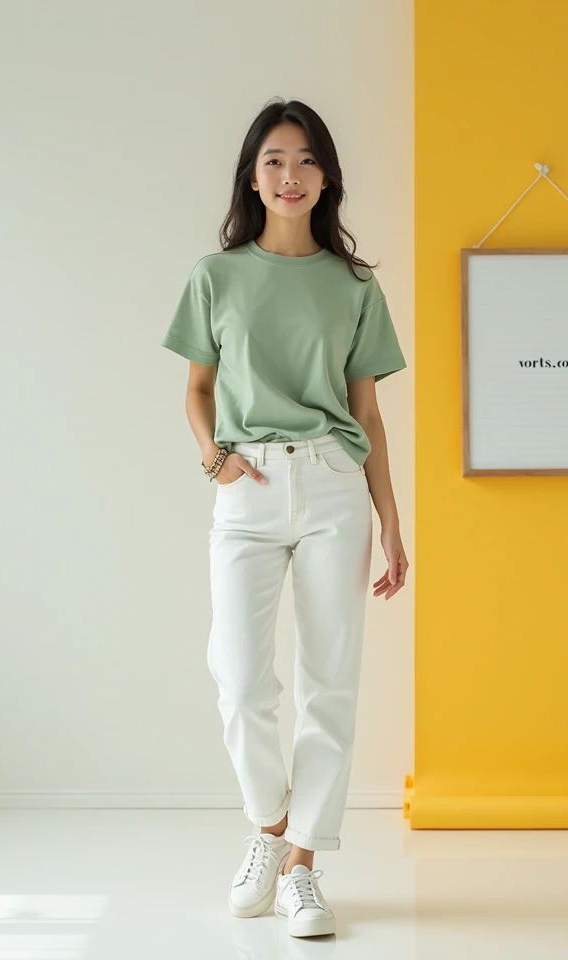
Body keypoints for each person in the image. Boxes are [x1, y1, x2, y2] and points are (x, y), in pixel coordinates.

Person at [161, 97, 408, 939]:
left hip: (336, 483)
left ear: (326, 176)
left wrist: (392, 520)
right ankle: (269, 826)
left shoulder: (354, 284)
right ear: (252, 174)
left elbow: (367, 414)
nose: (290, 176)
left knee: (330, 683)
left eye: (306, 160)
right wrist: (215, 459)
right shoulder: (215, 275)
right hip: (248, 486)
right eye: (274, 160)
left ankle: (304, 864)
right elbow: (196, 390)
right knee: (238, 676)